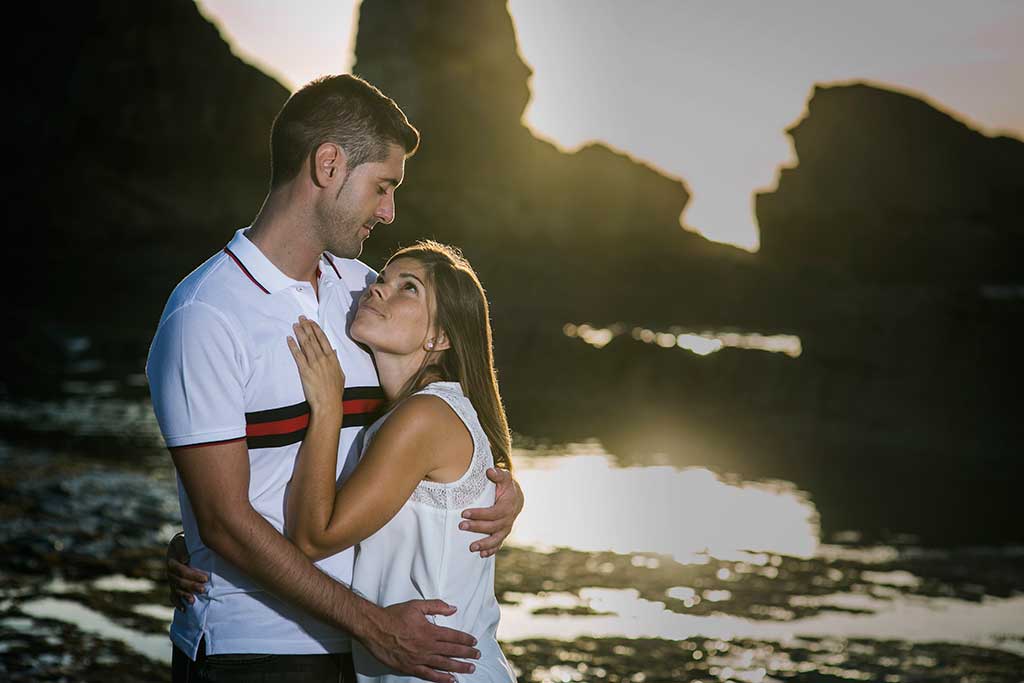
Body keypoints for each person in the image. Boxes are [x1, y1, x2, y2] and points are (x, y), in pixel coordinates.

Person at [146, 74, 523, 683]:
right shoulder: (206, 316)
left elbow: (446, 399)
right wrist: (196, 536)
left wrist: (499, 491)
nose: (389, 211)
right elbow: (224, 522)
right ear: (328, 165)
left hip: (372, 650)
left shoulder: (363, 294)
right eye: (383, 186)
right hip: (259, 651)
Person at [174, 241, 518, 681]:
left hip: (437, 670)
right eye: (383, 279)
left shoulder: (424, 416)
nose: (377, 290)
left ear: (439, 337)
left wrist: (327, 410)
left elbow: (314, 538)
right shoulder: (412, 413)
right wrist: (197, 542)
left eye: (407, 288)